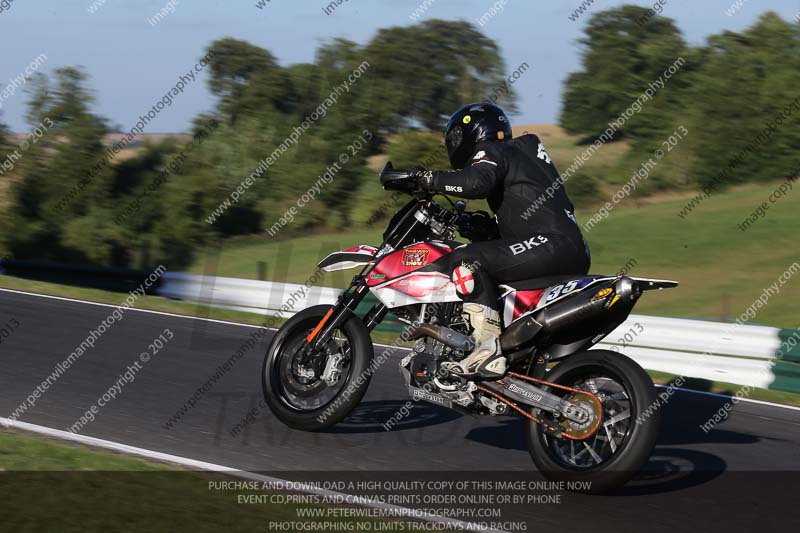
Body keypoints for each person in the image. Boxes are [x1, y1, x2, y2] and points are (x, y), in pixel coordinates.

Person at [410, 102, 591, 379]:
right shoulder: (526, 157)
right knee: (487, 260)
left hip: (549, 245)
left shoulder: (494, 149)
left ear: (470, 134)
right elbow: (516, 221)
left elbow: (475, 184)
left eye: (455, 138)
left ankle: (485, 350)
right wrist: (467, 223)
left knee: (466, 258)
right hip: (568, 249)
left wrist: (425, 177)